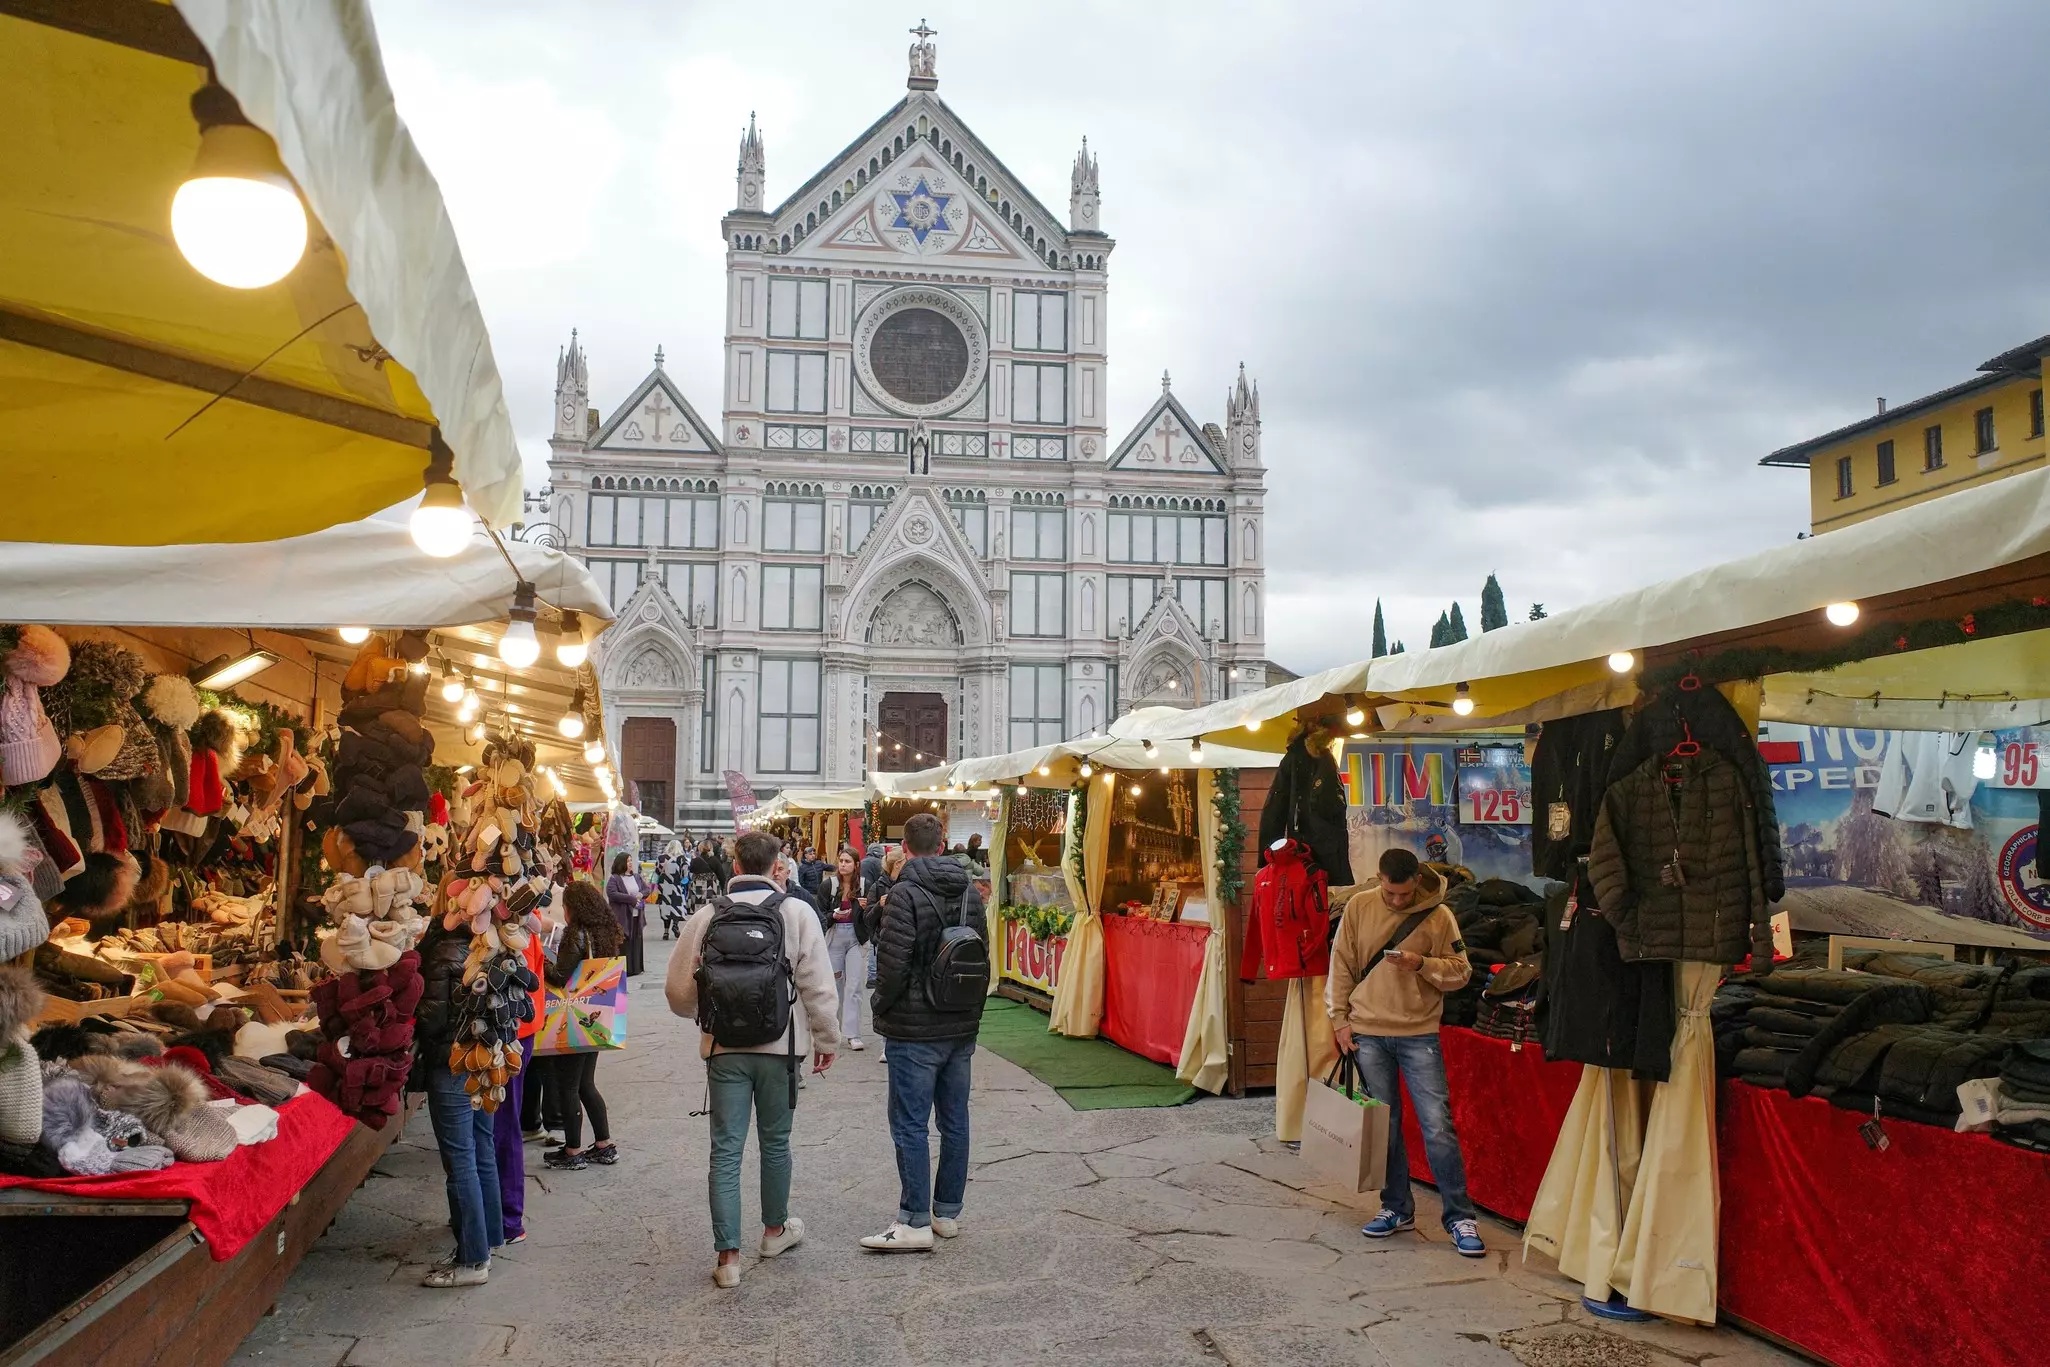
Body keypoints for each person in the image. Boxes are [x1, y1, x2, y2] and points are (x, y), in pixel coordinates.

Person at [666, 830, 840, 1289]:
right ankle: (774, 1231)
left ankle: (727, 1258)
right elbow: (818, 985)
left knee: (725, 1149)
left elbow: (679, 994)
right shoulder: (797, 912)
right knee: (775, 1143)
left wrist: (706, 1016)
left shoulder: (706, 916)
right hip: (781, 1051)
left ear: (736, 864)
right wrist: (827, 1039)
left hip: (724, 1050)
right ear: (775, 864)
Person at [1326, 846, 1484, 1258]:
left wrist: (1422, 964)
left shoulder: (1439, 913)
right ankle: (1396, 1207)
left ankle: (1459, 1217)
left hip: (1419, 1033)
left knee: (1437, 1126)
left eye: (1404, 894)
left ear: (1417, 880)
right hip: (1368, 1032)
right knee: (1386, 1125)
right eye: (1390, 893)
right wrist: (1340, 1020)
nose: (1397, 901)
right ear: (1379, 879)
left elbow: (1462, 971)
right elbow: (1340, 962)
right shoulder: (1359, 907)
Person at [861, 812, 986, 1253]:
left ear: (905, 847)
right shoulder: (971, 891)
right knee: (955, 1122)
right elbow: (981, 955)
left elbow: (892, 965)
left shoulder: (904, 892)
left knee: (910, 1124)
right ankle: (946, 1211)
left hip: (915, 1029)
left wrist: (881, 1007)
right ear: (943, 843)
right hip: (960, 1023)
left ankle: (913, 1219)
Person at [415, 897, 502, 1286]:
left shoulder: (443, 950)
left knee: (460, 1160)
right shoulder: (494, 944)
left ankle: (472, 1260)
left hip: (451, 1062)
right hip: (485, 1058)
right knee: (481, 1147)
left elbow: (432, 1019)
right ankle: (490, 1237)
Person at [542, 880, 622, 1171]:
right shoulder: (603, 932)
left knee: (568, 1086)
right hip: (596, 1015)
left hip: (574, 1020)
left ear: (573, 908)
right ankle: (604, 1145)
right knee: (587, 1083)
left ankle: (573, 1151)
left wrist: (542, 961)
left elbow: (560, 976)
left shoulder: (576, 933)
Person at [493, 894, 551, 1243]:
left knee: (502, 1125)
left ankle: (507, 1219)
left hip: (511, 1031)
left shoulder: (515, 924)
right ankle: (499, 1213)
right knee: (502, 1123)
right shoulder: (526, 919)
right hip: (520, 1029)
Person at [817, 848, 868, 1050]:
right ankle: (834, 1029)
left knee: (854, 985)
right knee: (834, 985)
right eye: (841, 860)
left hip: (856, 938)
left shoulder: (864, 886)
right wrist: (833, 916)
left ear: (856, 864)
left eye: (848, 861)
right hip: (835, 935)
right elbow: (820, 914)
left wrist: (866, 908)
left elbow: (872, 915)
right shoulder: (828, 885)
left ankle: (853, 1034)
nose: (843, 864)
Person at [606, 852, 648, 976]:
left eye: (631, 861)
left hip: (636, 915)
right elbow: (612, 894)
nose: (630, 863)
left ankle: (636, 967)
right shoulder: (615, 879)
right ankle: (625, 969)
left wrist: (641, 894)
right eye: (628, 861)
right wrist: (631, 899)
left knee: (636, 940)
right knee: (624, 941)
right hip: (622, 916)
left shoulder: (636, 877)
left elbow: (646, 889)